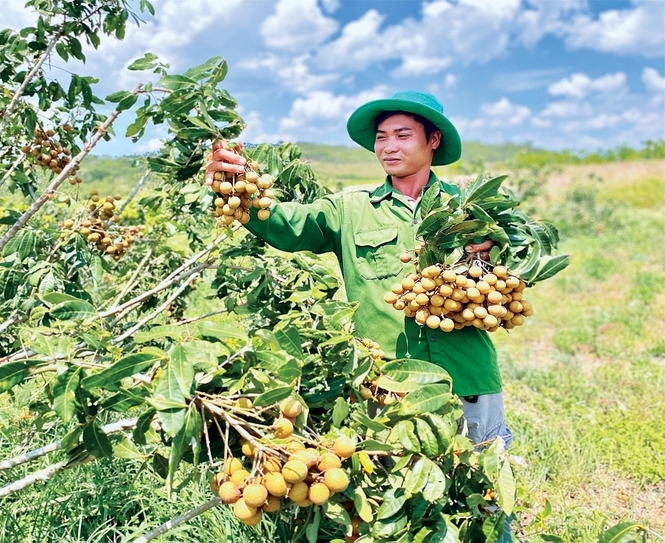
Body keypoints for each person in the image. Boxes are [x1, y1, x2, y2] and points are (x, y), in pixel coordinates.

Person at [204, 90, 513, 450]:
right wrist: (236, 186)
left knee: (480, 490)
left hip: (467, 375)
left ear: (433, 140)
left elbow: (516, 267)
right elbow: (286, 225)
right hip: (388, 383)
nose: (388, 147)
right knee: (396, 491)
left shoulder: (470, 207)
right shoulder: (350, 208)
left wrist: (494, 250)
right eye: (381, 138)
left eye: (402, 135)